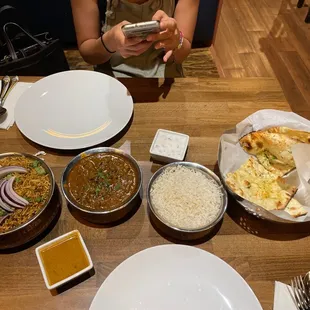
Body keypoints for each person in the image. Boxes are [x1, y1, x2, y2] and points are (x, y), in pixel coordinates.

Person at [71, 0, 200, 77]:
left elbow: (182, 52)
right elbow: (88, 54)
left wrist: (176, 42)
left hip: (165, 77)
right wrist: (110, 41)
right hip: (111, 76)